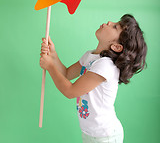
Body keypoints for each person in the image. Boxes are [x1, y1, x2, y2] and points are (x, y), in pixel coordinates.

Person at [39, 14, 147, 143]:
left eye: (115, 26)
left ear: (116, 47)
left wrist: (50, 66)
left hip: (105, 136)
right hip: (90, 133)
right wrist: (53, 55)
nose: (109, 21)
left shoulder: (106, 66)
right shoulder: (90, 56)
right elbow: (67, 73)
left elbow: (70, 91)